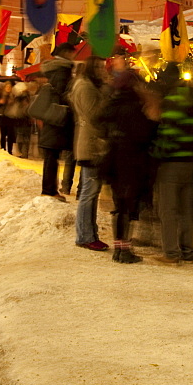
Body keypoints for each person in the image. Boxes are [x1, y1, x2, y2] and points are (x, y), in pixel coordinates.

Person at [97, 69, 158, 263]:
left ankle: (119, 248)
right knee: (128, 206)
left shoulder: (113, 102)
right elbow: (144, 134)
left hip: (114, 159)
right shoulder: (135, 106)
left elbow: (98, 120)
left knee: (120, 206)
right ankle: (124, 250)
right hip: (131, 161)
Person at [153, 67, 193, 264]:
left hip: (171, 164)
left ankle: (171, 253)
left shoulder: (170, 102)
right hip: (191, 162)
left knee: (168, 211)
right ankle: (188, 251)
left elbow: (166, 136)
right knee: (186, 211)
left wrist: (156, 155)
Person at [69, 57, 109, 252]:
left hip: (91, 143)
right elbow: (95, 116)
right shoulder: (86, 87)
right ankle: (85, 235)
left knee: (91, 192)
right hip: (91, 144)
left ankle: (89, 233)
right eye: (100, 67)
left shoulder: (87, 85)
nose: (103, 70)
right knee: (89, 192)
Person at [38, 43, 77, 201]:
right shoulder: (63, 70)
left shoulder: (54, 70)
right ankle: (49, 190)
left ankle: (49, 189)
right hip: (58, 119)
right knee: (52, 156)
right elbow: (63, 94)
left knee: (51, 156)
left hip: (51, 118)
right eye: (72, 53)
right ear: (66, 52)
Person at [0, 82, 16, 155]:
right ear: (4, 87)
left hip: (11, 116)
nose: (8, 88)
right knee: (3, 134)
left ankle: (10, 151)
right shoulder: (0, 94)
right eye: (7, 87)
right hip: (2, 116)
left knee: (10, 134)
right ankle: (3, 149)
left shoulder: (13, 95)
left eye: (9, 87)